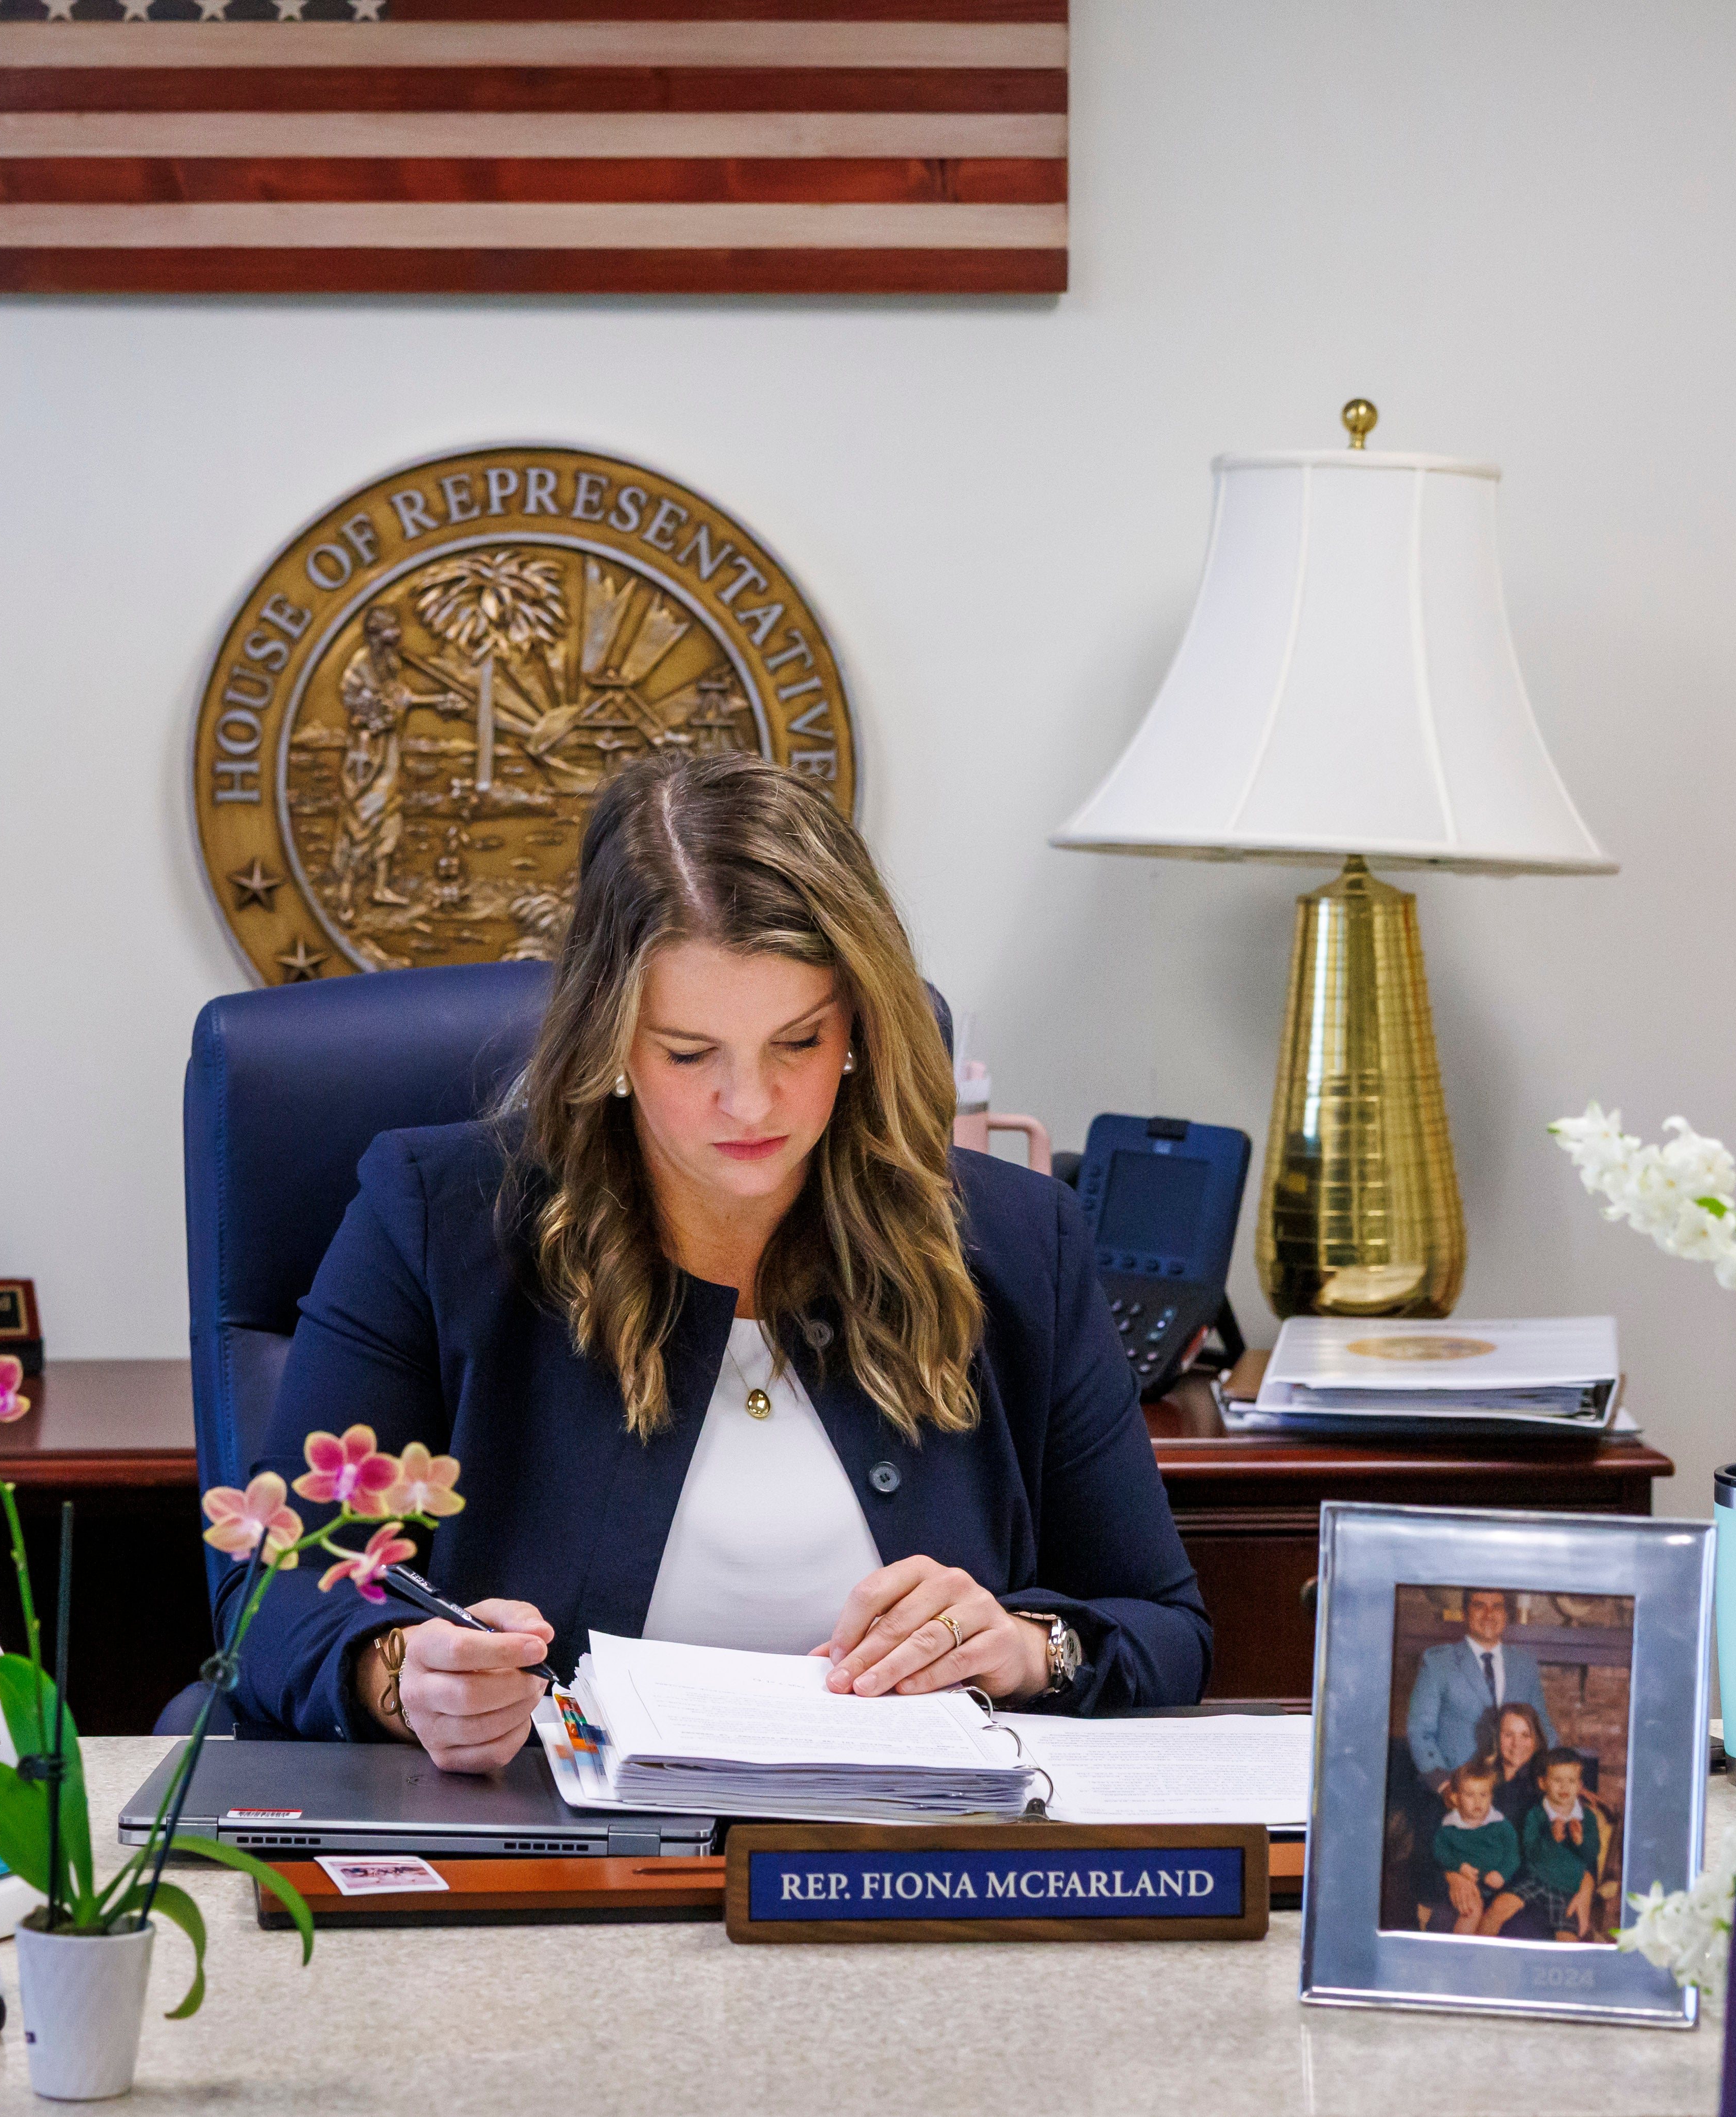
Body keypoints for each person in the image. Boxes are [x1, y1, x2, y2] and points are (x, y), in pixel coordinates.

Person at [229, 750, 1213, 1764]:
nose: (747, 1106)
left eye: (796, 1043)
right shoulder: (435, 1223)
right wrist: (398, 1676)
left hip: (900, 1865)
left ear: (859, 1028)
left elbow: (1163, 1626)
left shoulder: (1016, 1243)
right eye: (689, 1053)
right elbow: (270, 1594)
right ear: (608, 1040)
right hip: (562, 1872)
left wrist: (1023, 1647)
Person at [1407, 1589, 1548, 1796]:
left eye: (1497, 1607)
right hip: (1458, 1789)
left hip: (1515, 1790)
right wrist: (1444, 1785)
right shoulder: (1438, 1662)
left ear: (1506, 1616)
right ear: (1465, 1613)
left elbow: (1543, 1726)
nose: (1489, 1614)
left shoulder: (1524, 1664)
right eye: (1479, 1605)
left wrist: (1562, 1775)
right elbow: (1420, 1731)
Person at [1523, 1745, 1617, 1942]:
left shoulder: (1587, 1817)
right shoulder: (1537, 1814)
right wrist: (1552, 1839)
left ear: (1580, 1785)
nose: (1565, 1787)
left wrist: (1579, 1841)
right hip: (1534, 1881)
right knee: (1500, 1910)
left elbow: (1592, 1854)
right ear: (1543, 1783)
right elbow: (1530, 1852)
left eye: (1571, 1781)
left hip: (1567, 1889)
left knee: (1568, 1937)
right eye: (1558, 1781)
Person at [1430, 1757, 1528, 1936]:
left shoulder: (1500, 1824)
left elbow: (1513, 1854)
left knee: (1497, 1917)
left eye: (1484, 1795)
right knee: (1471, 1911)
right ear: (1456, 1797)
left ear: (1491, 1796)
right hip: (1469, 1885)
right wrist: (1458, 1867)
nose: (1478, 1802)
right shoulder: (1449, 1826)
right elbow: (1440, 1853)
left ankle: (1481, 1953)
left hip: (1498, 1885)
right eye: (1470, 1795)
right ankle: (1464, 1953)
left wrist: (1502, 1874)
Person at [1487, 1697, 1553, 1831]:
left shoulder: (1545, 1784)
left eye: (1525, 1735)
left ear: (1536, 1739)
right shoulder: (1482, 1776)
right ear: (1497, 1737)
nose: (1517, 1744)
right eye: (1509, 1735)